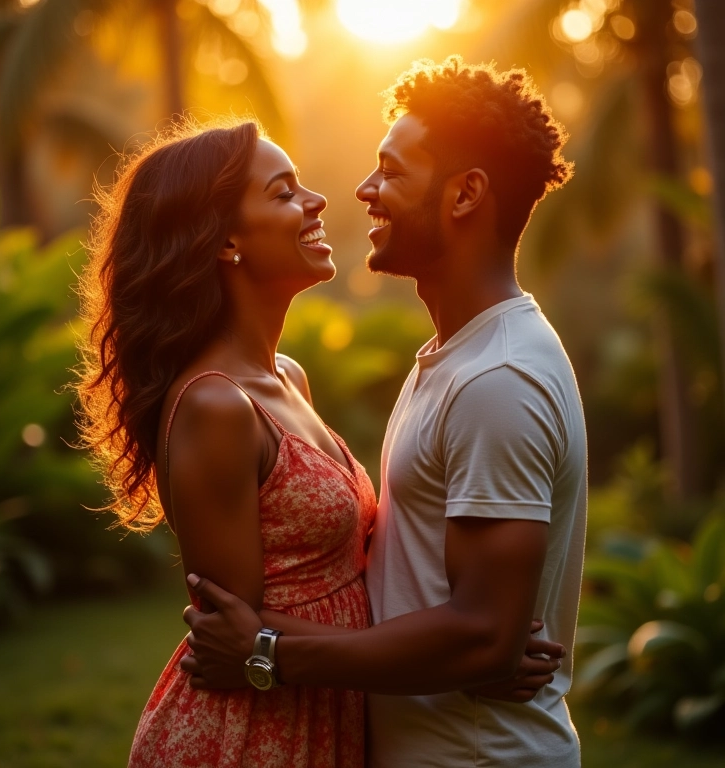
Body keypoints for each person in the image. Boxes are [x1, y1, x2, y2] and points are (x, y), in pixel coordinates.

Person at [75, 115, 561, 768]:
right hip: (255, 730)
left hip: (323, 702)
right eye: (282, 193)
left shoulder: (288, 379)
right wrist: (457, 656)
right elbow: (233, 633)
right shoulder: (216, 406)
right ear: (225, 241)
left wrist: (462, 650)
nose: (318, 202)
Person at [181, 57, 587, 768]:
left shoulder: (499, 376)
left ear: (465, 196)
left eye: (392, 172)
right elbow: (457, 622)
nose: (364, 191)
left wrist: (269, 652)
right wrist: (471, 648)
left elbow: (483, 636)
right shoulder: (454, 357)